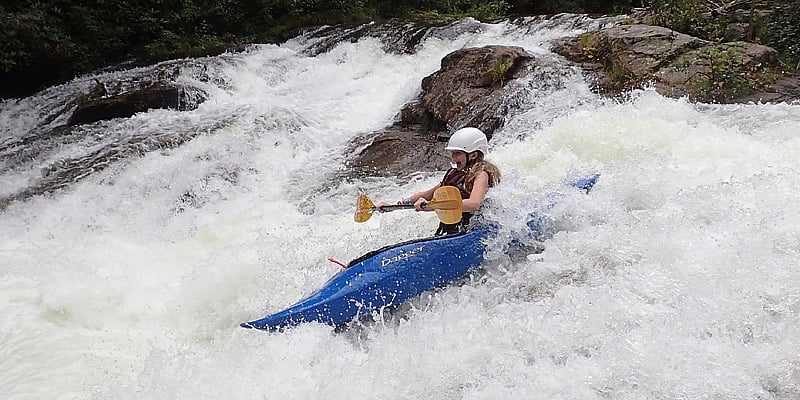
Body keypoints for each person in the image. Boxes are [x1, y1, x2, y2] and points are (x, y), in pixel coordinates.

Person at [377, 127, 501, 236]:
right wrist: (395, 205)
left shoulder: (481, 175)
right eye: (453, 153)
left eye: (457, 154)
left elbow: (474, 204)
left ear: (473, 155)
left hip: (472, 230)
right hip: (451, 230)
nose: (453, 158)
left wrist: (432, 206)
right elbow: (427, 194)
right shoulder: (453, 174)